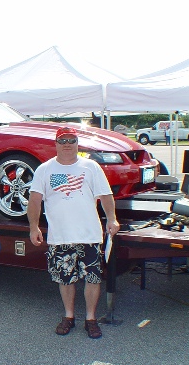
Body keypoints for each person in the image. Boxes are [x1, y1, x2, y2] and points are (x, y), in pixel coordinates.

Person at [28, 127, 120, 340]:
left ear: (78, 143)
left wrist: (112, 218)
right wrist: (34, 227)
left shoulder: (91, 167)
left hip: (90, 235)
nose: (67, 144)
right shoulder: (44, 169)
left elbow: (105, 195)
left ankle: (91, 319)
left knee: (93, 278)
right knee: (65, 279)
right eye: (63, 141)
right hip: (60, 236)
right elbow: (34, 200)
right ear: (56, 144)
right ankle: (69, 316)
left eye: (71, 140)